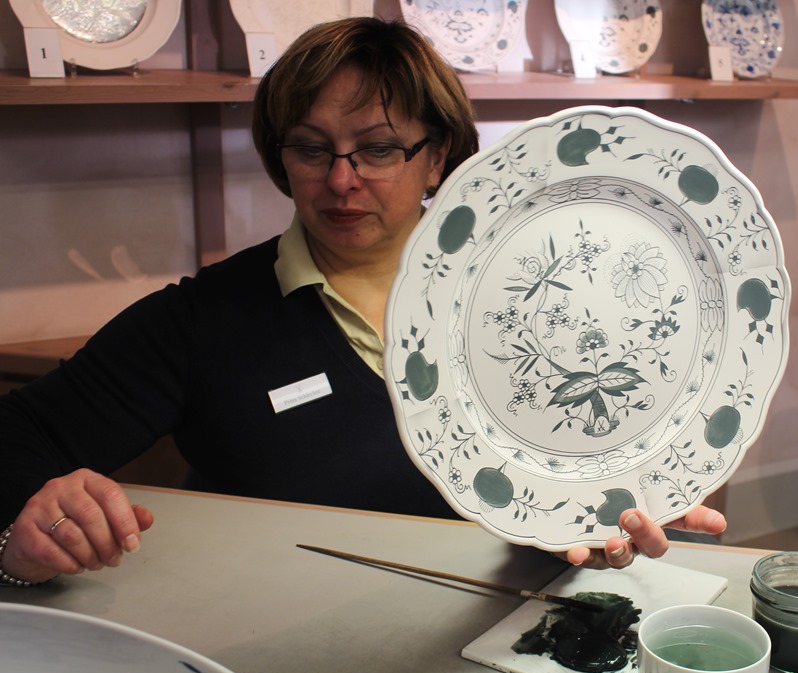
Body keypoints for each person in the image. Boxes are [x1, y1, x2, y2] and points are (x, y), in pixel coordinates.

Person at [0, 18, 725, 588]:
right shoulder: (204, 320)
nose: (341, 181)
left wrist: (603, 520)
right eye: (311, 149)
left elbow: (583, 469)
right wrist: (19, 535)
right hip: (279, 637)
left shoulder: (536, 294)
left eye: (378, 149)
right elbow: (17, 435)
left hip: (499, 629)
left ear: (436, 156)